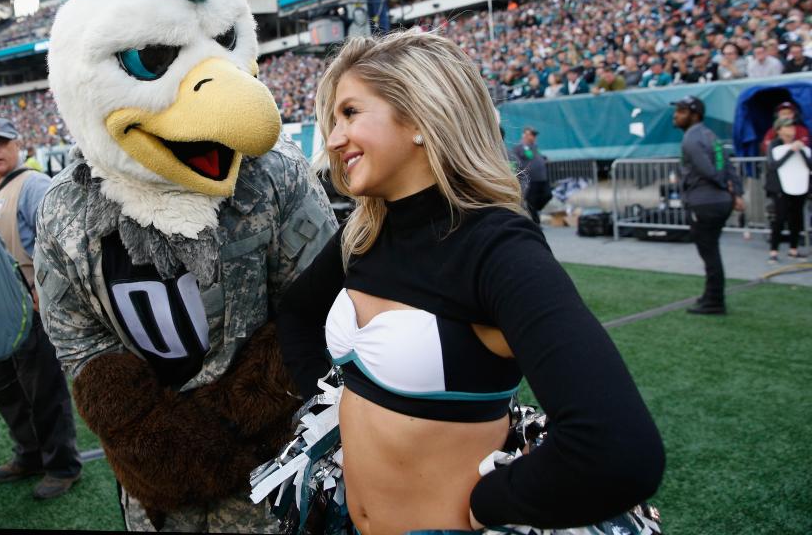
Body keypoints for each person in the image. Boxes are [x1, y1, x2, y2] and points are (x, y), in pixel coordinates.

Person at [277, 31, 664, 533]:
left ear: (418, 117)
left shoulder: (496, 247)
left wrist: (491, 503)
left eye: (350, 113)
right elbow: (297, 315)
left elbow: (618, 449)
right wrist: (325, 407)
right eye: (333, 120)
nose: (332, 139)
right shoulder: (363, 234)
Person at [0, 117, 82, 499]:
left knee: (43, 391)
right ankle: (30, 454)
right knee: (8, 390)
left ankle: (63, 465)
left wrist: (46, 289)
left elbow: (57, 236)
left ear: (17, 144)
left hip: (30, 307)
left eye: (0, 143)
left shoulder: (33, 183)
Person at [672, 95, 745, 315]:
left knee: (709, 253)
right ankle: (711, 295)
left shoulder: (691, 139)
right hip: (717, 201)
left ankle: (714, 301)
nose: (676, 115)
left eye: (682, 111)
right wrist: (735, 192)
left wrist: (725, 186)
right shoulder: (710, 134)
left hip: (705, 202)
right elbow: (728, 165)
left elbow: (707, 169)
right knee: (711, 251)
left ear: (695, 115)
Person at [765, 117, 811, 262]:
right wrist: (791, 151)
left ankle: (793, 249)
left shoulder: (801, 145)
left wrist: (800, 151)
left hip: (799, 185)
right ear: (779, 130)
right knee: (780, 217)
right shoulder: (774, 145)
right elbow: (773, 165)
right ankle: (773, 251)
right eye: (788, 127)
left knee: (796, 217)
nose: (791, 129)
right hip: (780, 187)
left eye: (792, 127)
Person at [512, 126, 551, 224]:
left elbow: (537, 157)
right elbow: (517, 161)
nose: (534, 137)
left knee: (547, 195)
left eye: (534, 135)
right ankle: (535, 221)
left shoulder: (534, 146)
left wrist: (543, 159)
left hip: (542, 177)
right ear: (525, 135)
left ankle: (535, 212)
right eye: (532, 135)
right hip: (531, 178)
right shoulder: (519, 147)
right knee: (531, 201)